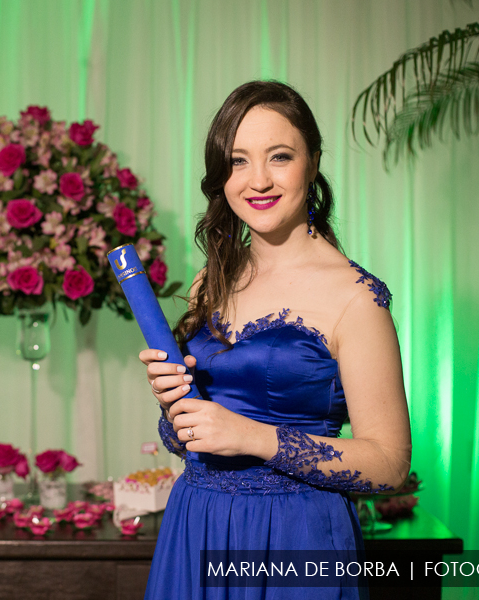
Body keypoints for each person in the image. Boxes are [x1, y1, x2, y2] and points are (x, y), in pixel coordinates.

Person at [139, 81, 412, 599]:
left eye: (279, 156)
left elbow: (390, 465)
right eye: (238, 161)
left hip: (295, 537)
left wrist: (252, 437)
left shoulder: (357, 299)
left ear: (312, 164)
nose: (257, 180)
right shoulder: (212, 278)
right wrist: (174, 405)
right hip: (196, 524)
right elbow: (186, 440)